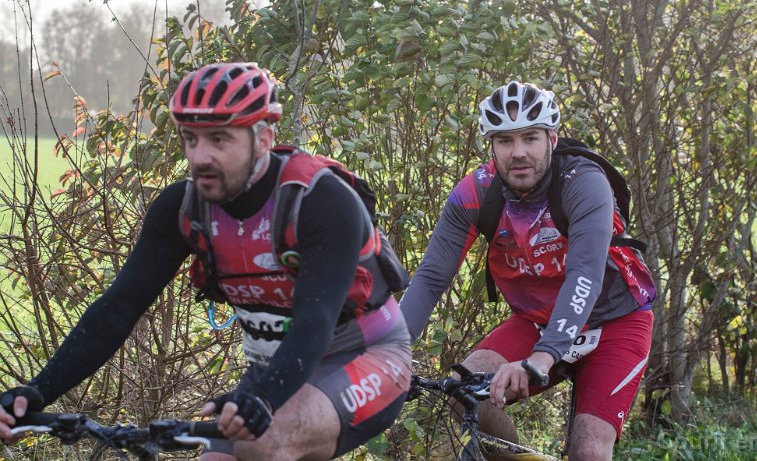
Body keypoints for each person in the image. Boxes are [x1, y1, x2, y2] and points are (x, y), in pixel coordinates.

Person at [0, 62, 411, 460]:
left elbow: (314, 320)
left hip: (365, 356)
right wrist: (37, 392)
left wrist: (262, 397)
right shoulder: (183, 209)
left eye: (219, 139)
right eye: (191, 139)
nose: (199, 157)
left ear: (263, 138)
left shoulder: (319, 201)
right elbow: (118, 308)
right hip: (273, 369)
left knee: (265, 443)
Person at [400, 80, 656, 461]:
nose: (518, 152)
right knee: (464, 389)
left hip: (616, 322)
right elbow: (432, 277)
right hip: (539, 321)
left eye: (530, 138)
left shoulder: (584, 183)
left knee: (588, 449)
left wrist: (544, 355)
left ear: (552, 138)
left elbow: (584, 274)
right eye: (505, 140)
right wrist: (392, 350)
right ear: (491, 145)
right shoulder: (476, 194)